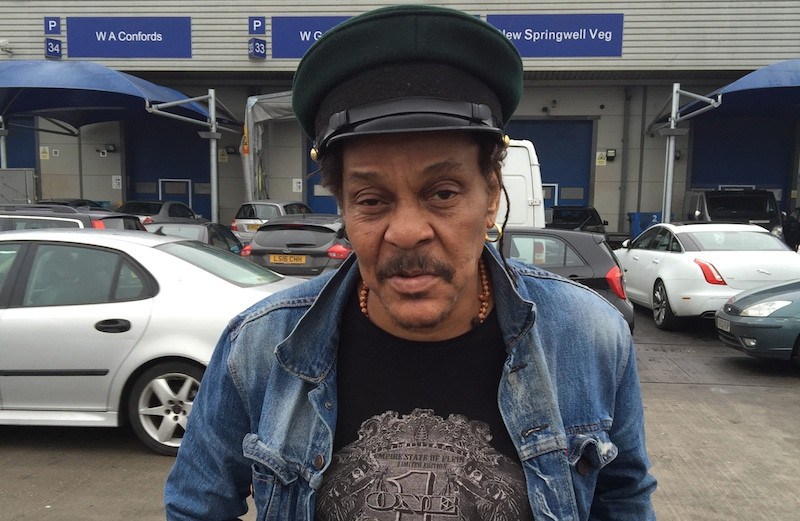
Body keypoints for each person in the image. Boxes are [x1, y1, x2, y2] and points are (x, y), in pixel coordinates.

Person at [164, 5, 657, 520]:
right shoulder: (259, 348)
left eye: (442, 193)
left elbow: (621, 500)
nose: (405, 232)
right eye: (371, 199)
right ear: (343, 207)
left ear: (491, 196)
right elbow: (197, 507)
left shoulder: (590, 337)